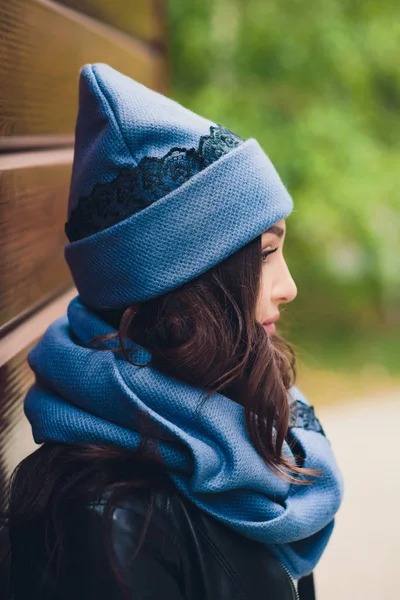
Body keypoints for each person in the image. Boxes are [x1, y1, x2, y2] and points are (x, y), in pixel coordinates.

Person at [0, 63, 343, 600]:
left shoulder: (247, 416)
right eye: (267, 255)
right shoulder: (107, 521)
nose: (289, 286)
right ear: (185, 285)